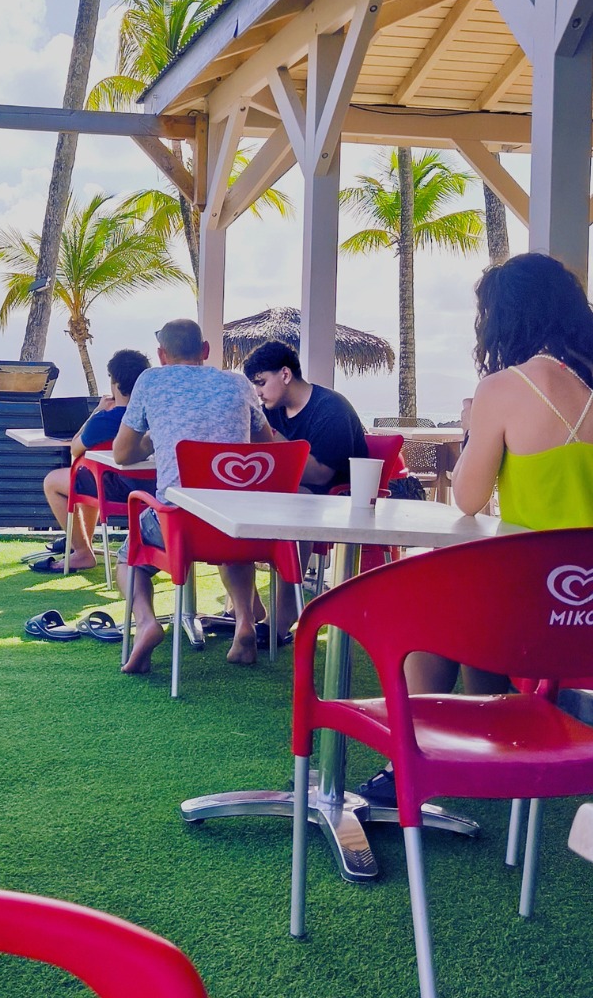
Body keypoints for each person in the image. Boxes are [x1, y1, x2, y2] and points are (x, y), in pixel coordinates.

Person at [358, 252, 593, 807]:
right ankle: (500, 747)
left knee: (423, 608)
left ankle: (411, 764)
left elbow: (467, 498)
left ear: (506, 317)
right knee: (472, 602)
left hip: (536, 606)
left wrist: (472, 427)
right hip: (581, 612)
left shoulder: (505, 387)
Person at [112, 318, 273, 671]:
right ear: (205, 350)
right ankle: (244, 622)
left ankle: (146, 622)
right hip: (234, 524)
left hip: (179, 525)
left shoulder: (150, 380)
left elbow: (121, 454)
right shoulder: (239, 383)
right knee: (232, 545)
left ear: (161, 355)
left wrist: (153, 439)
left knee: (128, 559)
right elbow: (268, 447)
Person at [242, 340, 368, 644]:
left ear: (285, 374)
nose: (257, 392)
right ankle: (246, 607)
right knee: (237, 498)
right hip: (290, 492)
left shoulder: (331, 409)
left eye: (261, 382)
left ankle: (284, 613)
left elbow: (322, 474)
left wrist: (272, 441)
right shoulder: (272, 411)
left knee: (296, 501)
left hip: (340, 498)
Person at [35, 348, 153, 573]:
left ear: (115, 383)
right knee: (86, 479)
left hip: (114, 490)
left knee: (53, 482)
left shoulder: (104, 421)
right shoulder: (155, 417)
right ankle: (83, 544)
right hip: (151, 491)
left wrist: (96, 413)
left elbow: (75, 447)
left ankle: (82, 552)